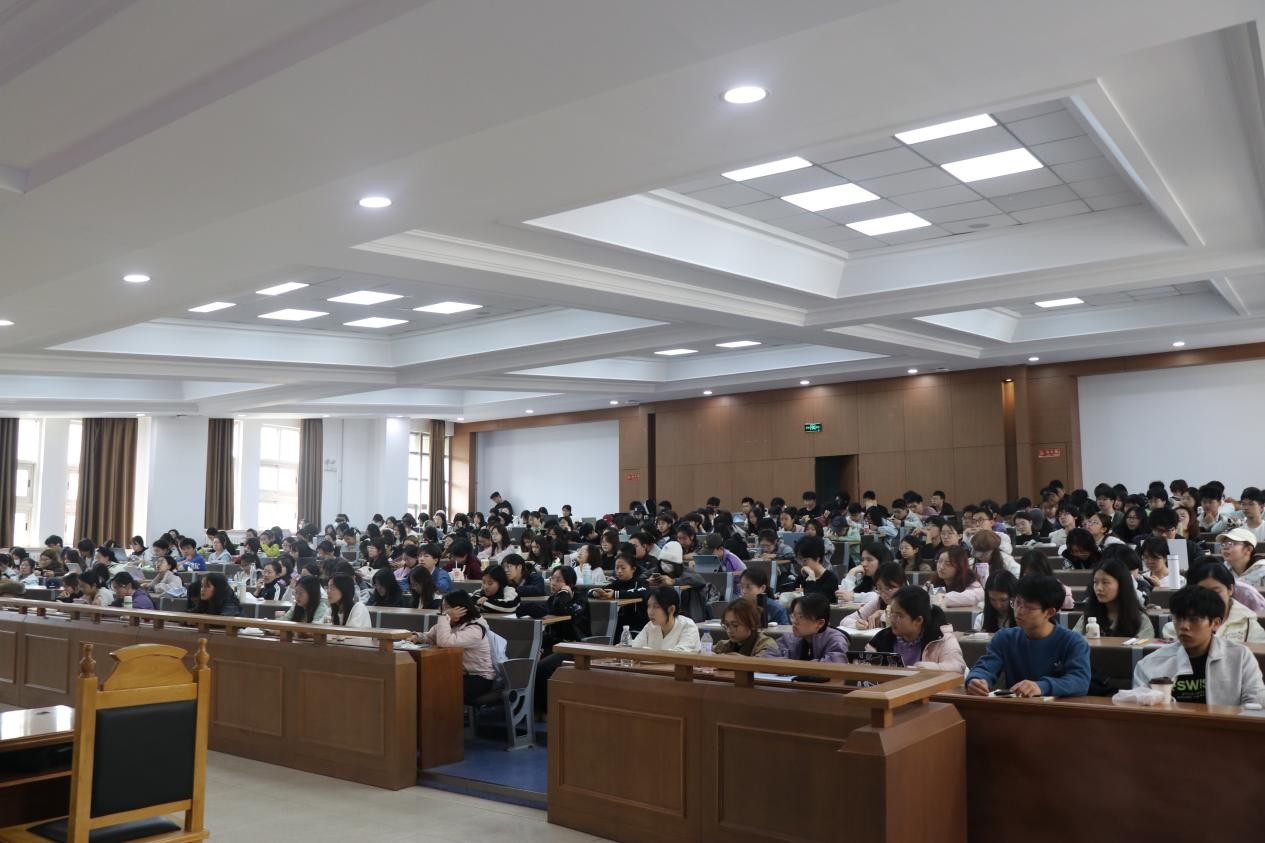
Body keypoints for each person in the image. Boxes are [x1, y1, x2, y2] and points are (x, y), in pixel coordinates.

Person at [1134, 585, 1265, 706]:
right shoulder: (1150, 664)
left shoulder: (1240, 657)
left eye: (1194, 619)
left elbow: (1255, 705)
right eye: (1178, 619)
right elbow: (1140, 711)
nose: (1184, 626)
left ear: (1216, 623)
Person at [966, 575, 1091, 698]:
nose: (1019, 611)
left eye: (1028, 607)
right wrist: (977, 679)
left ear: (1050, 612)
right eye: (1017, 603)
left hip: (1058, 708)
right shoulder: (1005, 638)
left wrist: (1042, 686)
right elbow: (986, 666)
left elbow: (1079, 681)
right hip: (1016, 706)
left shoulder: (1073, 641)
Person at [1160, 562, 1265, 644]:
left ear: (1231, 589)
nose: (1209, 597)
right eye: (1203, 591)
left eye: (1216, 591)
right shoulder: (1176, 627)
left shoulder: (1249, 624)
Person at [866, 586, 965, 672]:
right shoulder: (882, 638)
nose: (892, 620)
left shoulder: (941, 638)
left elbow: (957, 668)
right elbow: (866, 667)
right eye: (891, 613)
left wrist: (924, 669)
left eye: (899, 616)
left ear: (918, 620)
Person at [424, 591, 498, 704]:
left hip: (479, 679)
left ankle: (446, 715)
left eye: (448, 608)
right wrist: (416, 636)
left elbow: (444, 642)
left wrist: (444, 616)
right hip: (459, 674)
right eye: (443, 608)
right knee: (427, 682)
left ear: (461, 609)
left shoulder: (475, 629)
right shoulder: (452, 623)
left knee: (437, 690)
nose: (444, 611)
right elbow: (431, 637)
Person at [1074, 556, 1154, 636]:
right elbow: (1073, 640)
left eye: (1105, 582)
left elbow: (1144, 643)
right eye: (1095, 582)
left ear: (1122, 585)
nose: (1099, 588)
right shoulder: (1089, 616)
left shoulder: (1140, 620)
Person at [762, 592, 849, 662]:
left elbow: (835, 665)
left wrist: (792, 666)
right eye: (793, 616)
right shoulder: (789, 638)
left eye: (800, 617)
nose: (794, 621)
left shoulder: (835, 640)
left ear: (820, 623)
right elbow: (768, 657)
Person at [590, 551, 650, 633]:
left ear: (633, 569)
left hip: (638, 627)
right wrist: (596, 593)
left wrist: (615, 594)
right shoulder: (615, 584)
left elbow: (642, 593)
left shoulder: (641, 582)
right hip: (618, 626)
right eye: (617, 568)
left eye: (623, 568)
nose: (619, 571)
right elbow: (591, 592)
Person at [630, 586, 702, 651]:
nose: (650, 612)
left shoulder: (688, 626)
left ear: (671, 609)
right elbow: (634, 648)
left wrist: (648, 652)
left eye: (656, 607)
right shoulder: (650, 626)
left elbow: (680, 655)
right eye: (649, 606)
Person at [840, 562, 906, 630]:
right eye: (879, 588)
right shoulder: (878, 601)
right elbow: (844, 621)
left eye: (889, 589)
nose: (883, 594)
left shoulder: (911, 601)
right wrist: (857, 624)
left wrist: (884, 614)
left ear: (902, 586)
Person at [712, 599, 778, 657]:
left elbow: (762, 663)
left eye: (735, 625)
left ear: (752, 624)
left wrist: (739, 660)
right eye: (726, 625)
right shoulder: (723, 646)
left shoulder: (767, 645)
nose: (729, 630)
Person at [794, 536, 839, 605]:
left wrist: (811, 576)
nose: (802, 564)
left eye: (805, 560)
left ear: (817, 558)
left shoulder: (830, 578)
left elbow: (816, 603)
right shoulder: (803, 576)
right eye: (800, 559)